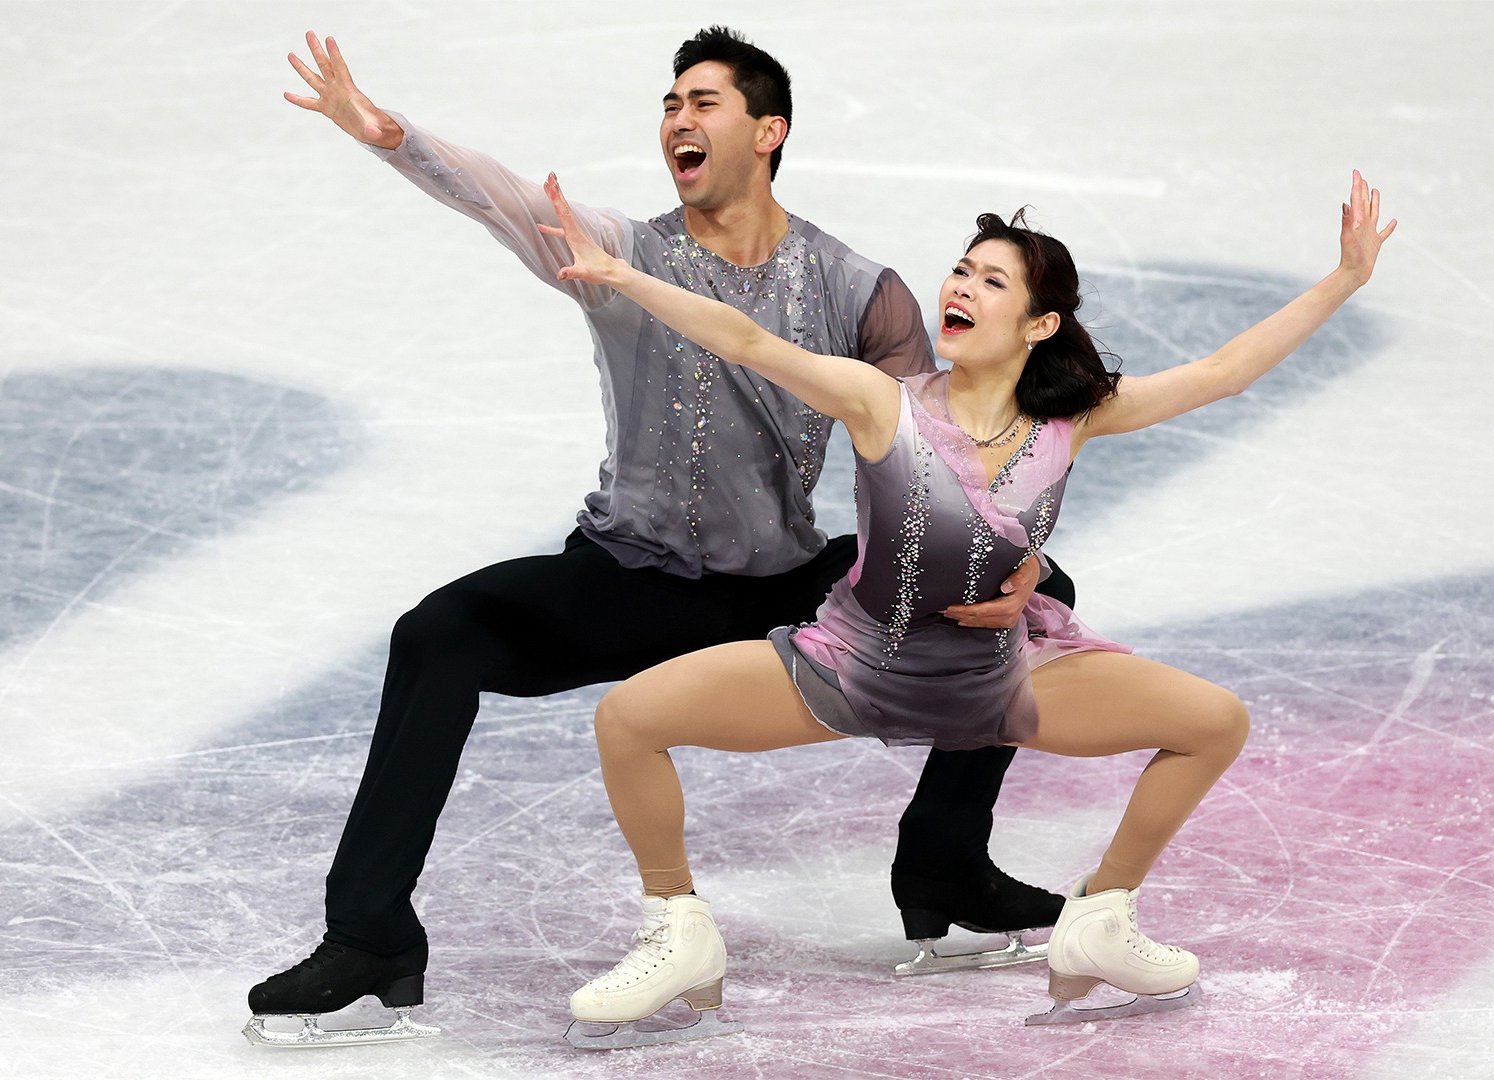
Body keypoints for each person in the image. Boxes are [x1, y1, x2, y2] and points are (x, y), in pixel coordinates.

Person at [244, 27, 1077, 1046]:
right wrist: (390, 134)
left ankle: (943, 860)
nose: (678, 119)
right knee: (437, 636)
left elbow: (935, 461)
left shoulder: (860, 290)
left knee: (1040, 593)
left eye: (703, 101)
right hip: (629, 578)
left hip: (781, 587)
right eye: (670, 103)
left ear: (767, 131)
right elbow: (500, 195)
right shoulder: (624, 255)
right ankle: (371, 932)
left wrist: (1015, 554)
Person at [541, 170, 1395, 1044]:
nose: (960, 287)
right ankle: (678, 931)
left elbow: (1223, 373)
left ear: (1039, 325)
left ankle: (1101, 916)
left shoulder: (1075, 418)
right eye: (960, 270)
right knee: (628, 718)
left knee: (1213, 721)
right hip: (852, 666)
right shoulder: (884, 404)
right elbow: (749, 340)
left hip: (998, 679)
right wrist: (623, 276)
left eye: (992, 281)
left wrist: (1345, 278)